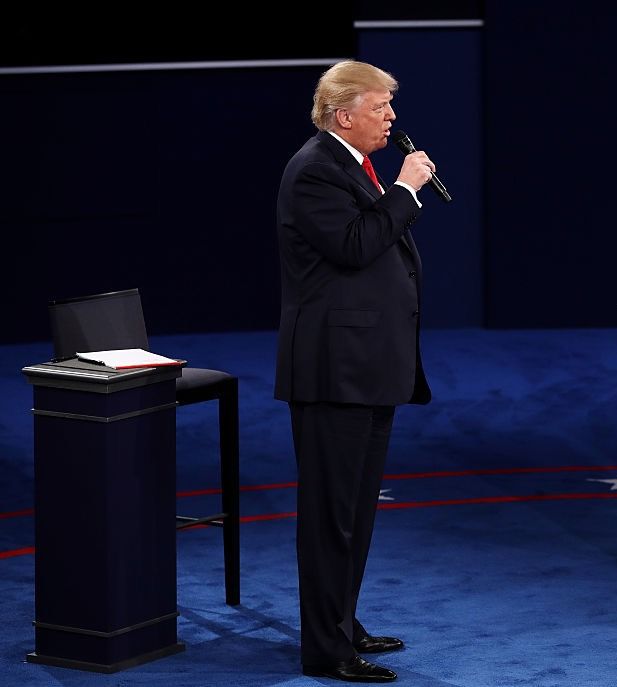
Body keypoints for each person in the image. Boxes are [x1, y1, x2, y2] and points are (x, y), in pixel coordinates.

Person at [274, 60, 436, 682]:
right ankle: (327, 648)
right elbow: (353, 245)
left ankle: (342, 620)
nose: (392, 118)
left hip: (367, 367)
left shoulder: (349, 165)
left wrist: (397, 192)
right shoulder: (315, 169)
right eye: (381, 108)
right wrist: (405, 190)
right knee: (330, 515)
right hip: (332, 370)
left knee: (357, 509)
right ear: (344, 114)